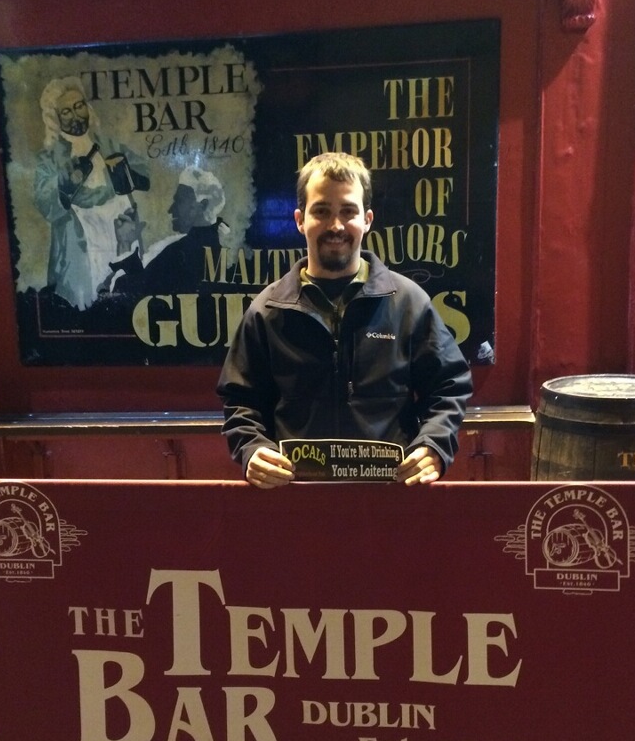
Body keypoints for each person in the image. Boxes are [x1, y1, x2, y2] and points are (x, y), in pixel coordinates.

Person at [217, 151, 472, 488]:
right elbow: (241, 401)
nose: (336, 225)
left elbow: (449, 385)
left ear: (367, 219)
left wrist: (434, 445)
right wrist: (252, 449)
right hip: (296, 496)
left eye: (348, 211)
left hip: (389, 497)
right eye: (321, 211)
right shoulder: (268, 311)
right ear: (300, 220)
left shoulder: (408, 303)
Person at [33, 76, 150, 309]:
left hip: (119, 231)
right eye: (66, 111)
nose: (75, 115)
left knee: (126, 297)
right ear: (55, 118)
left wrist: (125, 173)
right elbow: (44, 202)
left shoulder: (108, 145)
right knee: (87, 305)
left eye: (79, 106)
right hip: (81, 243)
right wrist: (65, 181)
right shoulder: (50, 158)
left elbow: (144, 175)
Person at [110, 166, 229, 294]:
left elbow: (132, 296)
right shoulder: (213, 247)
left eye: (179, 201)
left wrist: (125, 244)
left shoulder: (179, 253)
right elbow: (146, 284)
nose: (171, 209)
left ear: (202, 205)